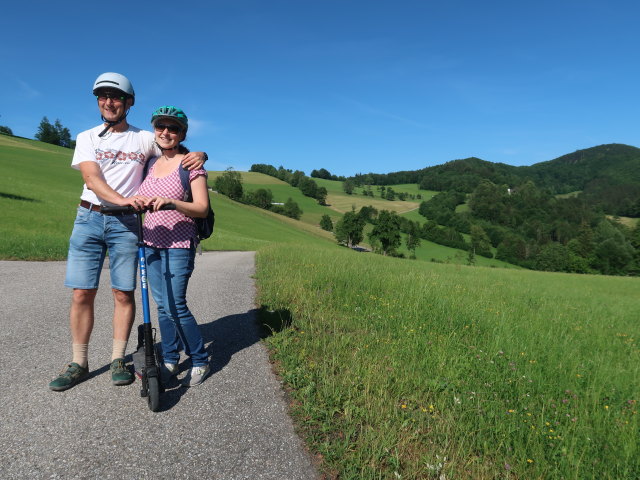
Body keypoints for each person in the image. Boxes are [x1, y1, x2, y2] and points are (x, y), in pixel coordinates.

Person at [49, 73, 207, 392]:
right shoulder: (87, 137)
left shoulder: (144, 138)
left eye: (116, 97)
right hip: (90, 217)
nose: (109, 102)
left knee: (124, 293)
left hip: (128, 225)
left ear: (129, 102)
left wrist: (202, 156)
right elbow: (92, 179)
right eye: (102, 96)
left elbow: (175, 147)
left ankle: (120, 358)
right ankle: (79, 362)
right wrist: (124, 200)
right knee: (82, 292)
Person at [137, 106, 210, 387]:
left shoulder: (191, 165)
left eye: (174, 128)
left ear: (183, 133)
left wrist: (171, 203)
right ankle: (169, 357)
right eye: (161, 127)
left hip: (179, 244)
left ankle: (200, 359)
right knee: (162, 306)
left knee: (176, 305)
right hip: (150, 243)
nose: (166, 132)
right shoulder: (150, 163)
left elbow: (202, 208)